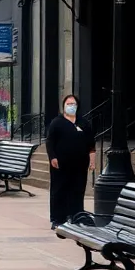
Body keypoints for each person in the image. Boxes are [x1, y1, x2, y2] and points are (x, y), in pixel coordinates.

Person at [45, 94, 96, 228]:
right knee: (59, 189)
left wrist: (92, 160)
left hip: (80, 164)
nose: (71, 106)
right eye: (68, 104)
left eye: (73, 104)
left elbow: (91, 143)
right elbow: (50, 141)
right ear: (64, 106)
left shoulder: (83, 123)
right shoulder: (57, 122)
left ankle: (76, 215)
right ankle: (57, 218)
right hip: (61, 164)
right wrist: (52, 157)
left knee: (77, 189)